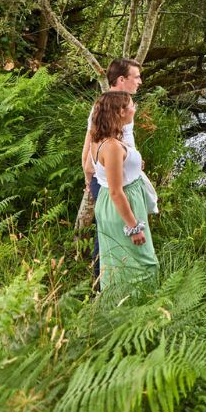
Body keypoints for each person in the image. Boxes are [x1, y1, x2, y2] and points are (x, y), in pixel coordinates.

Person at [79, 59, 143, 281]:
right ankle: (102, 286)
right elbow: (89, 150)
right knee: (107, 236)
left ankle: (126, 284)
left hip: (122, 177)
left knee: (122, 233)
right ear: (122, 79)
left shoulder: (124, 105)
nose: (140, 82)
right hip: (108, 181)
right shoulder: (104, 107)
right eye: (136, 77)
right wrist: (89, 179)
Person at [90, 90, 158, 293]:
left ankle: (118, 308)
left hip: (113, 203)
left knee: (118, 260)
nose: (134, 108)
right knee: (144, 263)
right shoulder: (111, 146)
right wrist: (133, 227)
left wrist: (134, 165)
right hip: (121, 205)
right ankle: (138, 308)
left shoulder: (102, 137)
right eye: (131, 105)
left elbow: (97, 168)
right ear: (120, 112)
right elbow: (116, 192)